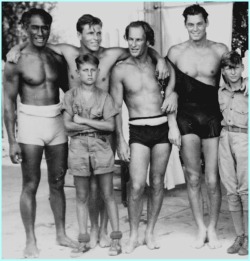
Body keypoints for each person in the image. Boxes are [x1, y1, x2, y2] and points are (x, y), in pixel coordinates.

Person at [7, 14, 177, 249]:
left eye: (98, 32)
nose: (95, 37)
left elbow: (142, 47)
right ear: (79, 35)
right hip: (77, 131)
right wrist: (16, 46)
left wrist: (159, 59)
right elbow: (39, 41)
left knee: (104, 184)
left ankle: (104, 231)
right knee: (86, 185)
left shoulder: (111, 54)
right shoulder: (67, 52)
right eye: (90, 32)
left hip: (104, 128)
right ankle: (92, 231)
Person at [3, 8, 77, 258]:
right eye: (34, 27)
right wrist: (11, 141)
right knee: (30, 184)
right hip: (30, 125)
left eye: (44, 27)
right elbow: (8, 103)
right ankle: (30, 241)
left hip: (56, 123)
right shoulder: (16, 60)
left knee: (57, 182)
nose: (40, 32)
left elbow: (69, 92)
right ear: (26, 28)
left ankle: (60, 233)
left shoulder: (56, 57)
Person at [110, 20, 180, 254]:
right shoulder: (120, 69)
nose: (133, 44)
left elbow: (172, 79)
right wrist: (120, 139)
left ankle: (149, 231)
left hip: (161, 127)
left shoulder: (158, 62)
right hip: (137, 130)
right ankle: (133, 235)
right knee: (138, 185)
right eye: (130, 38)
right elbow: (117, 108)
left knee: (158, 182)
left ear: (147, 41)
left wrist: (173, 95)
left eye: (139, 39)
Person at [166, 4, 229, 249]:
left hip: (213, 116)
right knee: (193, 178)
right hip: (186, 116)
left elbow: (232, 81)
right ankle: (200, 228)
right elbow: (167, 91)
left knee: (213, 180)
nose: (195, 28)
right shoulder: (175, 52)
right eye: (190, 24)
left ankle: (212, 228)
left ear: (206, 23)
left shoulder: (220, 50)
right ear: (185, 25)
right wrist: (172, 125)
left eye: (199, 24)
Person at [62, 53, 122, 256]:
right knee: (81, 196)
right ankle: (83, 240)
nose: (89, 74)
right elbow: (67, 126)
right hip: (78, 148)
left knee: (108, 194)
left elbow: (110, 125)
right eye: (85, 70)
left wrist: (83, 121)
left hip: (101, 146)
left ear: (97, 72)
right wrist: (90, 125)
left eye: (92, 70)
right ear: (78, 73)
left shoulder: (104, 97)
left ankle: (115, 239)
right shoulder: (70, 96)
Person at [218, 51, 248, 256]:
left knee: (246, 189)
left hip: (244, 138)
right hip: (224, 138)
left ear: (242, 68)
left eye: (236, 66)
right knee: (231, 189)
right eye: (229, 67)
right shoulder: (219, 91)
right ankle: (240, 236)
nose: (233, 71)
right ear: (223, 70)